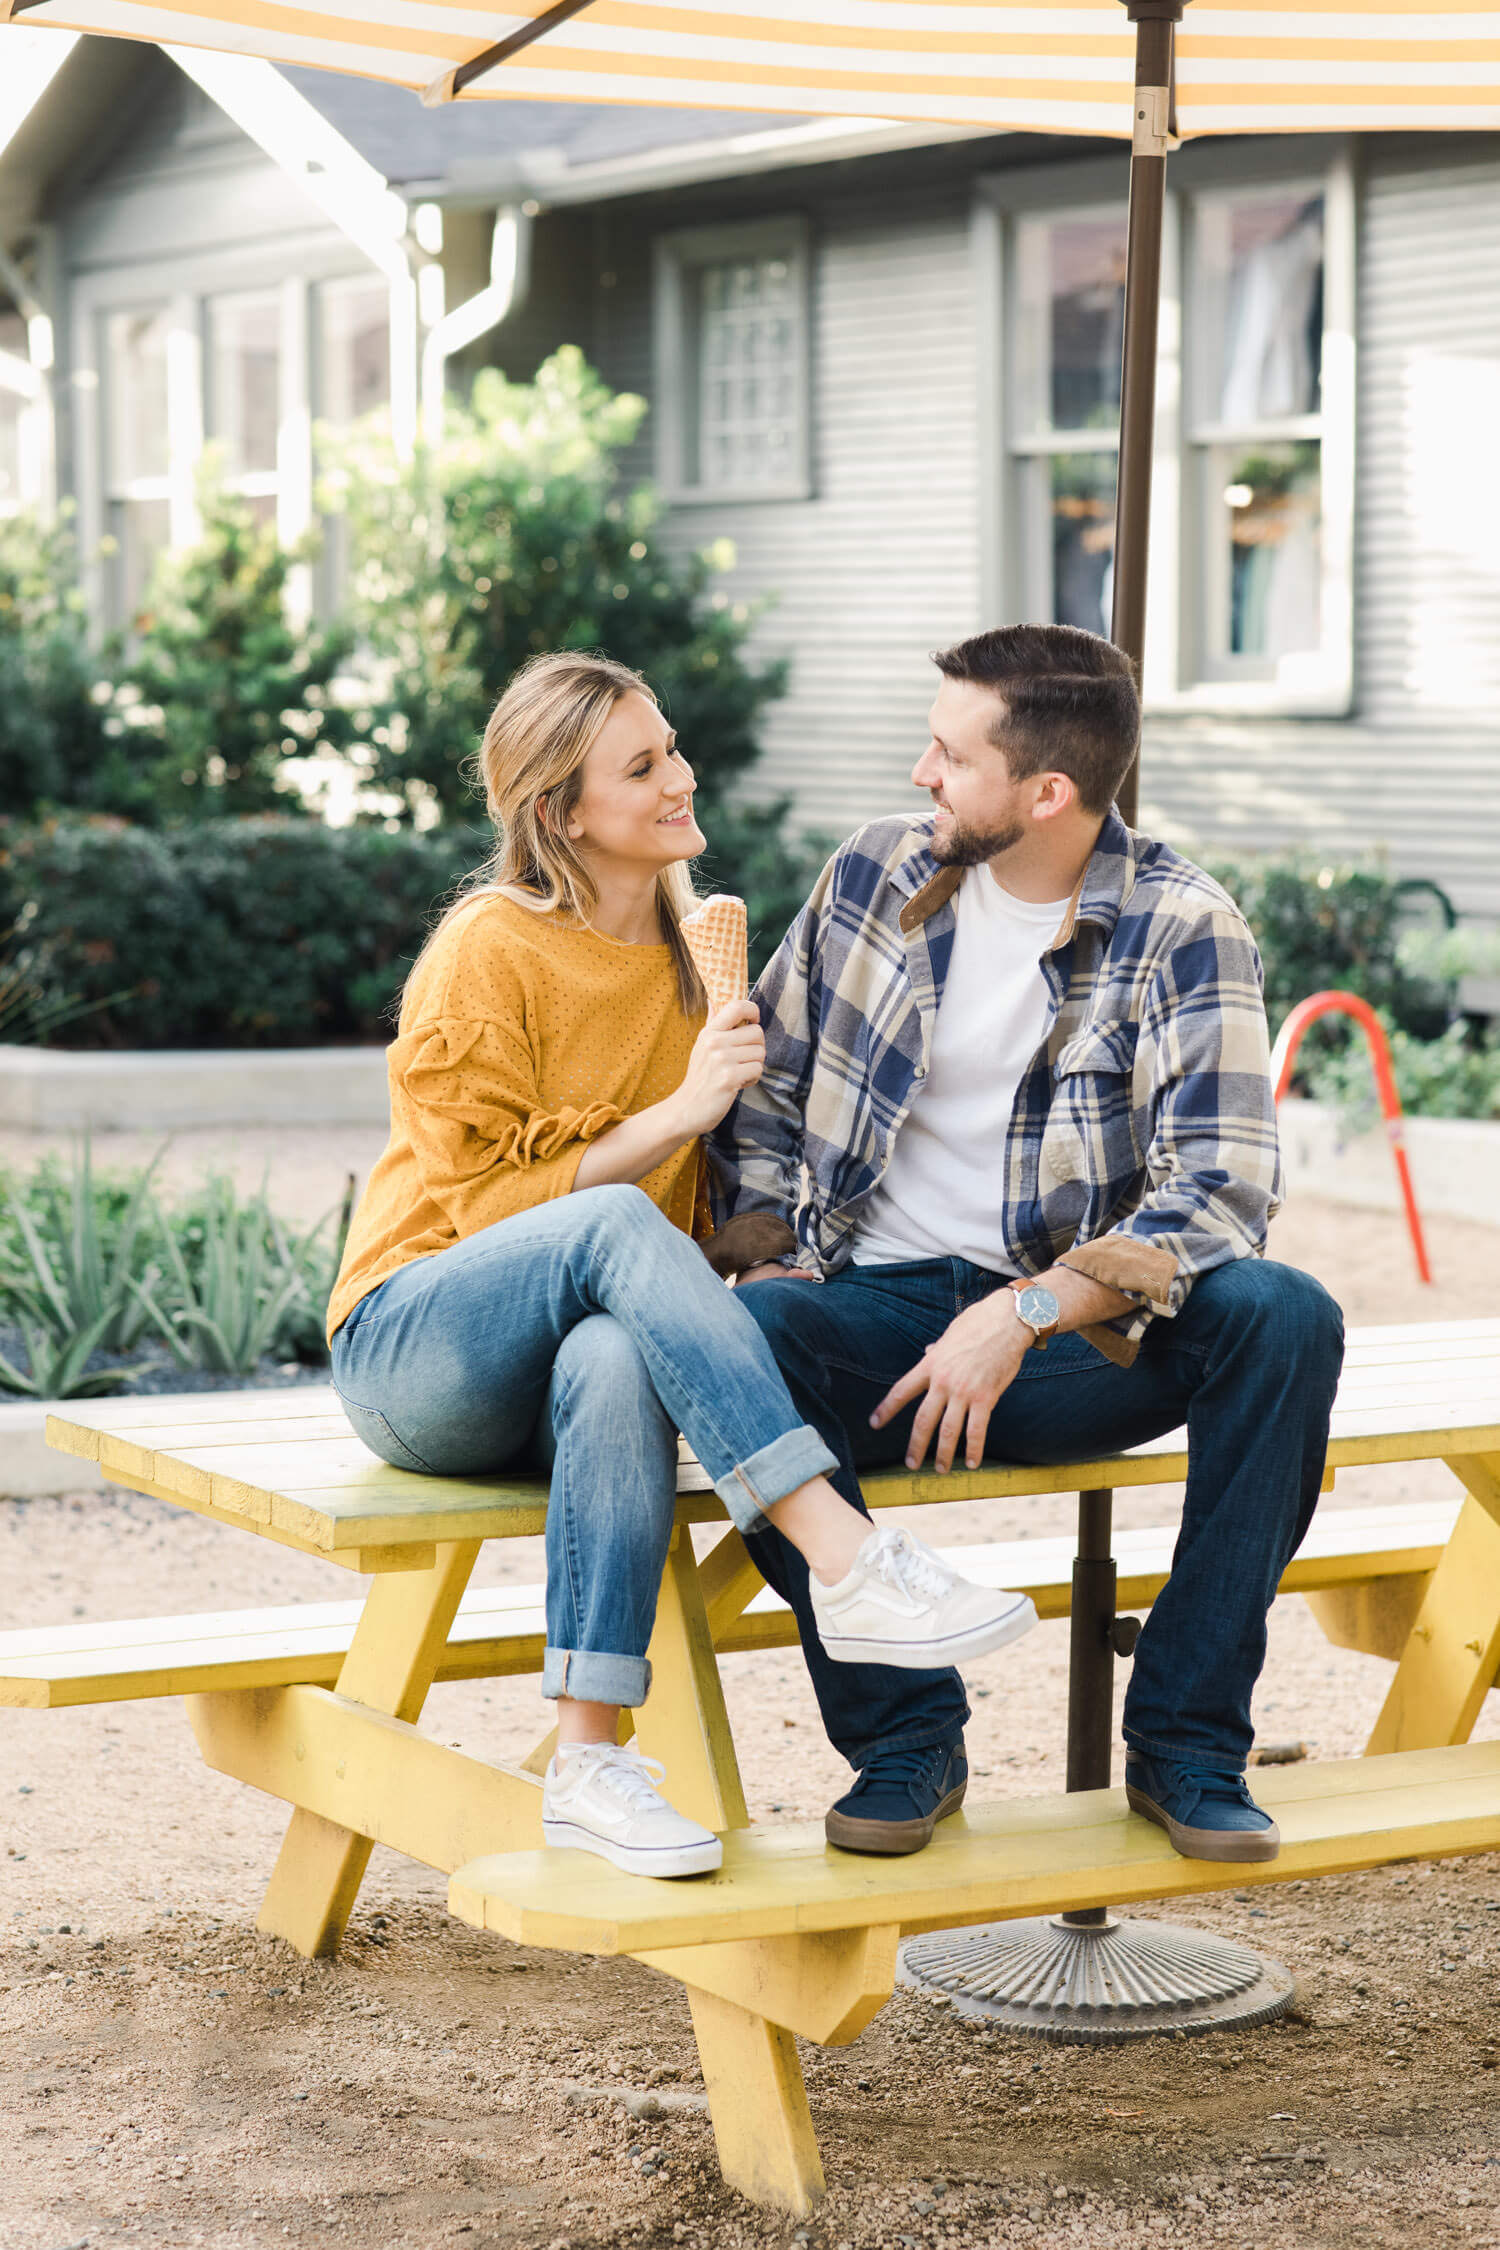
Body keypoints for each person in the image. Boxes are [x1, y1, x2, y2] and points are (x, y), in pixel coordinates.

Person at [324, 651, 1039, 1883]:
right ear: (561, 812)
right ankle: (849, 1560)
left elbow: (710, 1204)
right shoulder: (487, 949)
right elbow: (482, 1207)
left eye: (673, 749)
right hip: (418, 1345)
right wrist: (672, 1113)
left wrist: (767, 1264)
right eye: (642, 765)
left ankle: (588, 1760)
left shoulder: (690, 953)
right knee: (612, 1236)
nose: (679, 778)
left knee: (615, 1348)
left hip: (567, 1365)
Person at [711, 623, 1345, 1866]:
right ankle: (908, 1738)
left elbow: (1220, 1192)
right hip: (874, 1330)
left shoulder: (1181, 927)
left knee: (1287, 1314)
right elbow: (763, 1091)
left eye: (950, 755)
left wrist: (1028, 1311)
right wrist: (772, 1248)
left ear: (1046, 792)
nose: (919, 775)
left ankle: (1186, 1740)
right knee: (741, 1345)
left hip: (1074, 1346)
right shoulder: (869, 878)